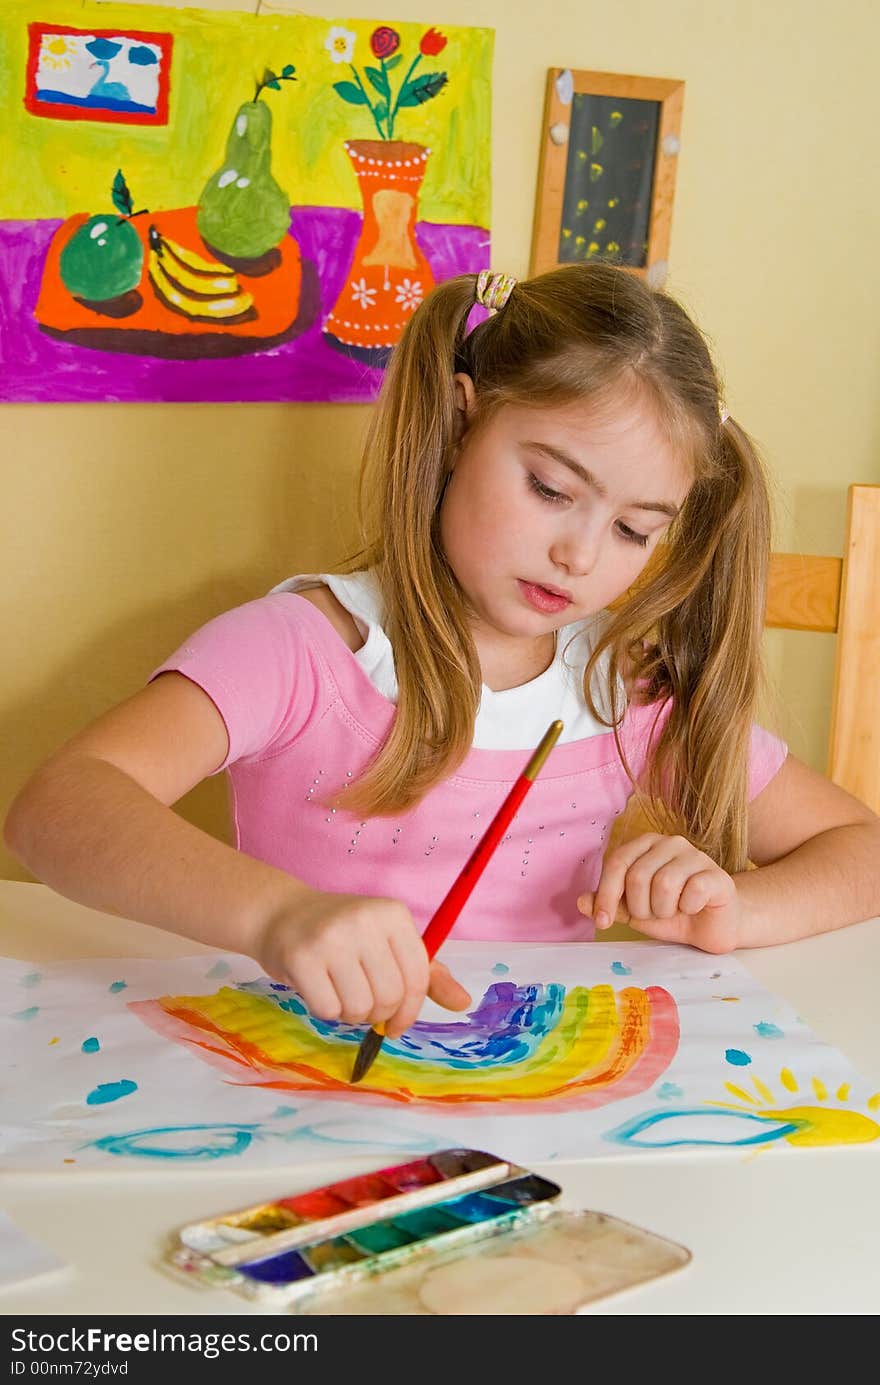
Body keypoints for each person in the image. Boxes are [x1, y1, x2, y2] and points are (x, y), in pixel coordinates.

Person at [6, 264, 879, 1045]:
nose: (580, 554)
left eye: (631, 528)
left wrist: (731, 907)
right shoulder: (306, 650)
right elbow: (58, 809)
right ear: (462, 423)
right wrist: (279, 916)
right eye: (549, 488)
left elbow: (861, 849)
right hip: (305, 1083)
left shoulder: (624, 692)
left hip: (531, 1092)